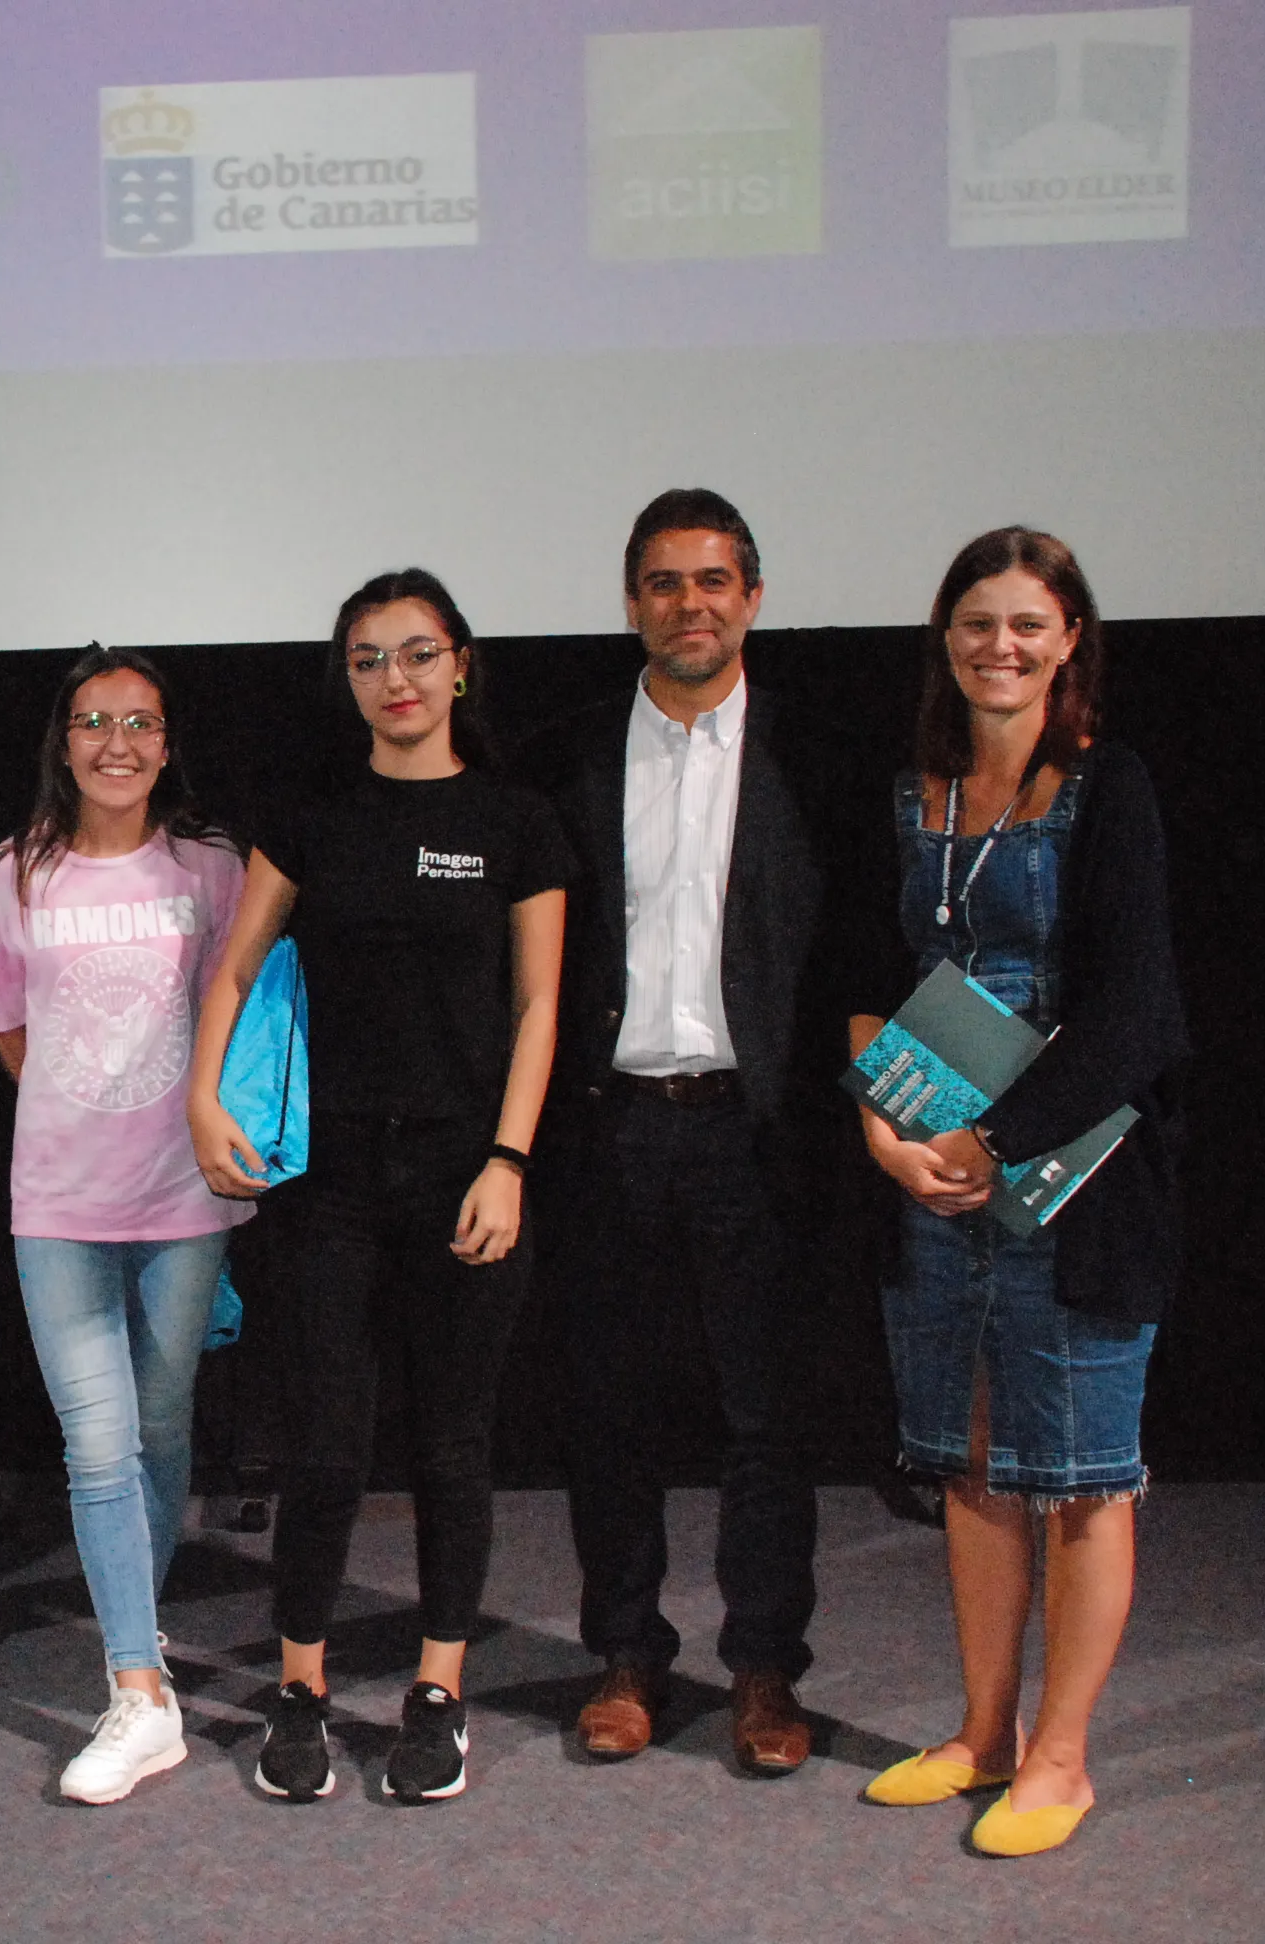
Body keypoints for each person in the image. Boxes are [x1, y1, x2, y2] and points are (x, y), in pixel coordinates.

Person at [188, 569, 570, 1804]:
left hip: (465, 1174)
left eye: (415, 653)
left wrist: (508, 1162)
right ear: (344, 679)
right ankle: (298, 1690)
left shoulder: (516, 822)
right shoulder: (311, 816)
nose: (393, 679)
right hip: (329, 1182)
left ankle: (436, 1693)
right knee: (324, 1450)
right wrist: (202, 1097)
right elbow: (233, 973)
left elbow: (539, 1006)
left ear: (460, 665)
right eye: (366, 659)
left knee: (454, 1448)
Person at [525, 488, 877, 1774]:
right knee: (607, 1409)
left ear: (754, 598)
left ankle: (764, 1672)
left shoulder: (817, 756)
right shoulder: (561, 756)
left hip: (755, 1133)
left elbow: (857, 951)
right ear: (631, 603)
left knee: (765, 1419)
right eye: (665, 583)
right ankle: (624, 1655)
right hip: (607, 1129)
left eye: (714, 580)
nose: (690, 604)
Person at [849, 527, 1187, 1858]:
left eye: (1027, 625)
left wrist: (995, 1140)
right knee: (975, 1466)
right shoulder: (913, 796)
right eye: (978, 622)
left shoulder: (1109, 786)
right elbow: (865, 979)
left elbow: (1137, 1011)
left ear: (1069, 642)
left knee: (1085, 1478)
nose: (1001, 646)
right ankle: (982, 1733)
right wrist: (885, 1132)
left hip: (1076, 1179)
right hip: (933, 1179)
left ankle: (1061, 1758)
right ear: (946, 639)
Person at [0, 646, 249, 1802]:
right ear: (64, 741)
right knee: (97, 1440)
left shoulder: (210, 868)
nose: (115, 743)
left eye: (139, 723)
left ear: (167, 745)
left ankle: (141, 1641)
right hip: (59, 1201)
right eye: (93, 722)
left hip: (184, 1195)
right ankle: (137, 1688)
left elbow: (240, 1009)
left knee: (161, 1423)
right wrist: (74, 1107)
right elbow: (2, 1023)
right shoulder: (17, 872)